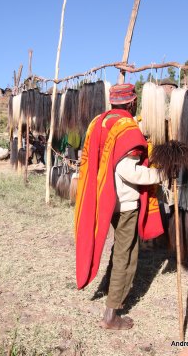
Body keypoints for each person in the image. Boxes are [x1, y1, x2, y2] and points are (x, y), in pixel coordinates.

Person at [74, 83, 164, 330]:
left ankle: (106, 286)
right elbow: (127, 170)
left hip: (104, 198)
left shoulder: (99, 122)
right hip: (124, 201)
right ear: (132, 103)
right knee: (127, 252)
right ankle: (111, 315)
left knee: (119, 247)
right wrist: (160, 176)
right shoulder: (127, 127)